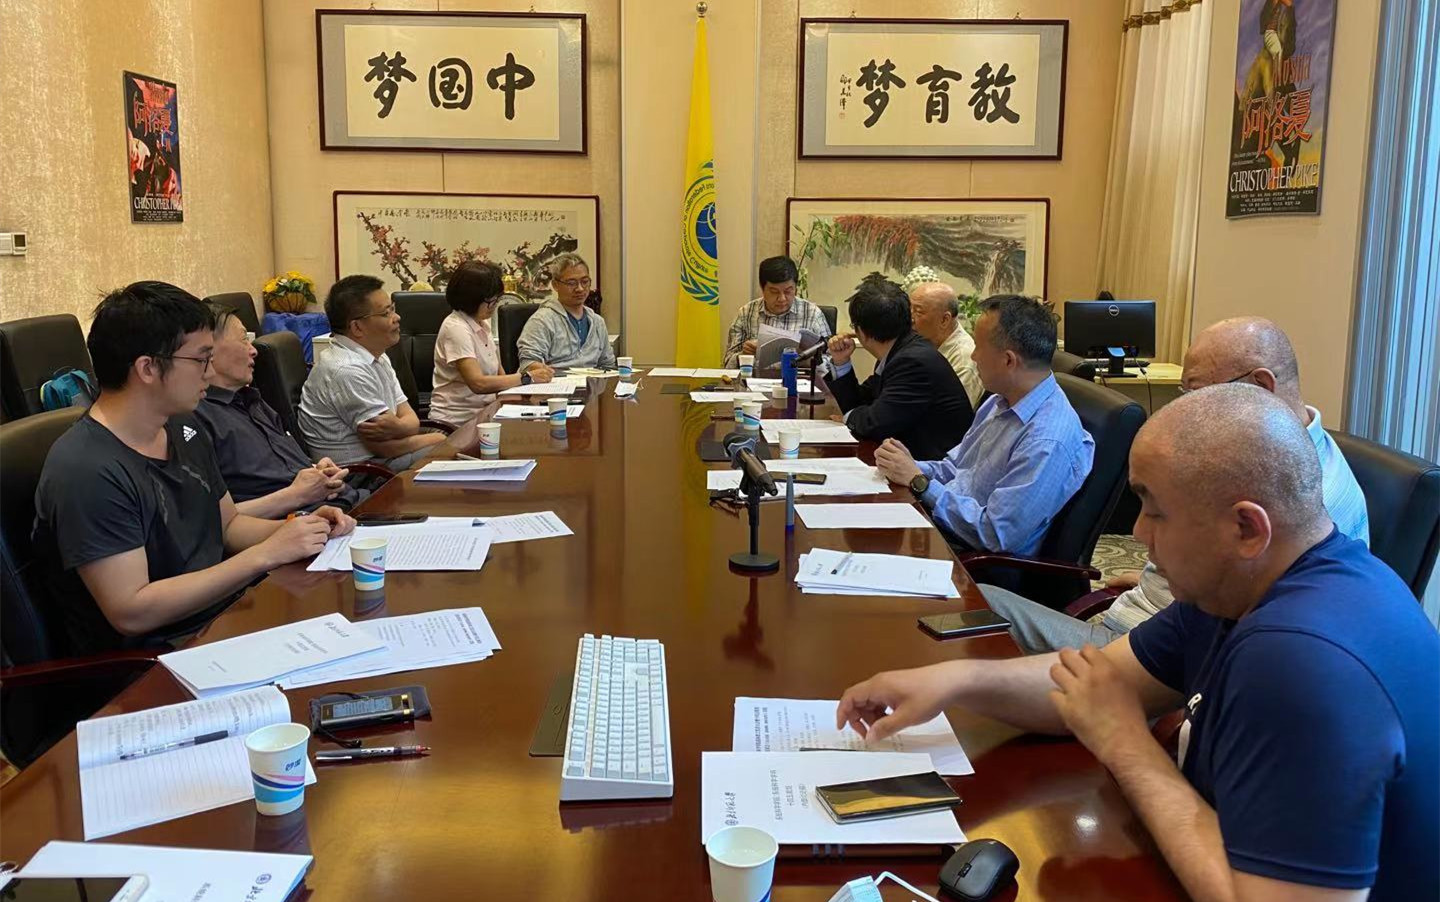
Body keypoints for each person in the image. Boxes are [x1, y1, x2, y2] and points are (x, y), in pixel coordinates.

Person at [838, 385, 1439, 902]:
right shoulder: (1242, 586)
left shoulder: (1304, 659)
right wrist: (959, 680)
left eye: (1154, 510)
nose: (1137, 534)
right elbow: (1099, 679)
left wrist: (1126, 743)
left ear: (1246, 527)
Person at [984, 315, 1370, 654]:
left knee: (976, 605)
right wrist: (1158, 579)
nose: (1185, 410)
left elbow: (1224, 645)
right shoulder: (1268, 456)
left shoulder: (1297, 498)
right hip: (1150, 624)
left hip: (1155, 655)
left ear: (1260, 387)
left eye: (1197, 393)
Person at [32, 282, 354, 656]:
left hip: (228, 616)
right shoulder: (87, 469)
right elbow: (132, 611)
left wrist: (303, 529)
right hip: (159, 657)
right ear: (148, 368)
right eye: (201, 359)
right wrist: (266, 554)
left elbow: (228, 526)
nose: (209, 371)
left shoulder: (183, 427)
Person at [873, 295, 1092, 554]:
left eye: (978, 347)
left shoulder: (1046, 441)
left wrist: (920, 482)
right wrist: (906, 466)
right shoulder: (1000, 401)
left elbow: (994, 534)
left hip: (972, 557)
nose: (973, 356)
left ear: (1009, 360)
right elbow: (957, 468)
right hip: (944, 526)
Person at [195, 302, 359, 515]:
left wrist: (317, 471)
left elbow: (290, 469)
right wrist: (298, 494)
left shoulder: (252, 400)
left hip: (345, 503)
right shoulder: (197, 418)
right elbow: (213, 521)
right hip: (301, 522)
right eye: (244, 340)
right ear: (209, 350)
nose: (253, 350)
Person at [298, 275, 448, 470]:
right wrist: (437, 438)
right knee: (448, 449)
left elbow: (409, 416)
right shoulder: (346, 370)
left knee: (456, 446)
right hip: (361, 472)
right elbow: (384, 448)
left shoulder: (377, 355)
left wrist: (401, 427)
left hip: (383, 457)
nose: (397, 317)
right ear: (357, 327)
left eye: (393, 308)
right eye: (386, 313)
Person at [823, 278, 974, 460]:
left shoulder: (913, 361)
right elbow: (863, 403)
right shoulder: (898, 352)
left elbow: (875, 424)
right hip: (907, 457)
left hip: (934, 467)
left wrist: (849, 418)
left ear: (861, 331)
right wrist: (841, 362)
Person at [429, 261, 555, 428]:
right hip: (457, 421)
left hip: (487, 414)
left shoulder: (482, 323)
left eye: (496, 299)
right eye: (491, 301)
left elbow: (499, 375)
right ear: (471, 299)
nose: (495, 306)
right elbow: (478, 384)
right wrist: (527, 377)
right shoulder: (456, 328)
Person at [722, 256, 832, 368]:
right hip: (755, 378)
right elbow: (727, 364)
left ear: (795, 288)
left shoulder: (812, 314)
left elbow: (831, 361)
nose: (782, 299)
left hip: (797, 378)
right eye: (774, 292)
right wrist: (743, 355)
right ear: (762, 289)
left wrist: (807, 359)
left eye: (788, 291)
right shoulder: (746, 313)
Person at [515, 253, 616, 372]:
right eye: (571, 283)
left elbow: (608, 365)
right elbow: (528, 364)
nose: (580, 289)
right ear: (555, 285)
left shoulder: (597, 322)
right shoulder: (542, 320)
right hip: (554, 381)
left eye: (585, 282)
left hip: (591, 382)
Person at [909, 281, 983, 408]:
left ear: (944, 320)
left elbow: (954, 413)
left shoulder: (963, 359)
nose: (911, 318)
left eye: (918, 312)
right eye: (909, 309)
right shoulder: (922, 342)